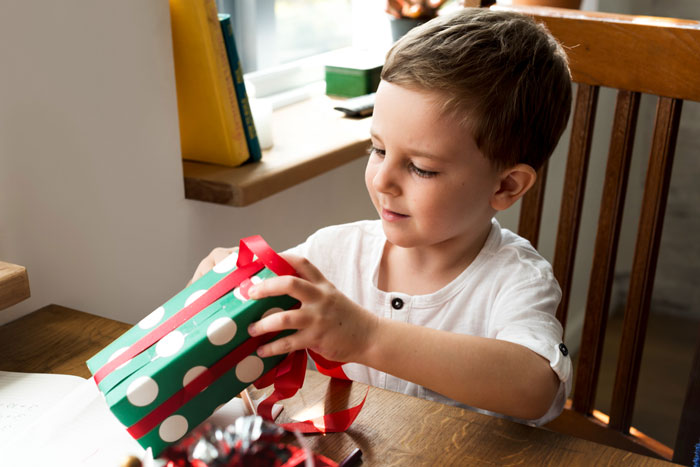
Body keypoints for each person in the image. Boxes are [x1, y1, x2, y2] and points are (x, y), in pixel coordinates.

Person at [190, 7, 573, 424]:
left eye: (421, 168)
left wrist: (368, 338)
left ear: (505, 187)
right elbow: (264, 307)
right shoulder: (333, 252)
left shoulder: (517, 280)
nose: (382, 179)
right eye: (378, 149)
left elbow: (535, 389)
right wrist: (224, 290)